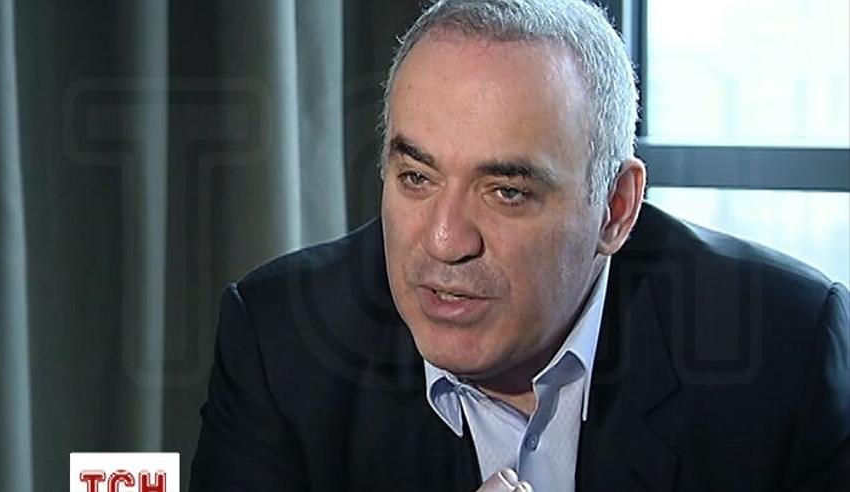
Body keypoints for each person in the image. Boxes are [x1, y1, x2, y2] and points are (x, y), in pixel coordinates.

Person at [189, 0, 850, 490]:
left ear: (616, 210)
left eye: (506, 191)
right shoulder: (282, 340)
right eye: (417, 178)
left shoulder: (785, 349)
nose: (445, 241)